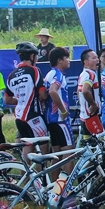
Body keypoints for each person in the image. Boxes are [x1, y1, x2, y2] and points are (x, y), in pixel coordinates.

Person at [5, 42, 49, 158]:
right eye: (36, 55)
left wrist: (21, 100)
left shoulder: (11, 75)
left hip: (19, 117)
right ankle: (42, 171)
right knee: (42, 148)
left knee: (27, 146)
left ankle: (26, 170)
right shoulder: (34, 70)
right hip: (34, 115)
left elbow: (7, 100)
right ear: (31, 56)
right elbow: (43, 95)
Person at [44, 47, 73, 175]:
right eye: (67, 57)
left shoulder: (49, 74)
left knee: (57, 154)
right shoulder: (58, 74)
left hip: (50, 119)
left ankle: (54, 186)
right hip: (60, 119)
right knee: (69, 152)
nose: (69, 60)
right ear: (59, 60)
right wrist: (63, 110)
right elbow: (52, 91)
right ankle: (66, 185)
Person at [77, 49, 101, 138]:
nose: (97, 60)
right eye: (94, 58)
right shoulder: (91, 74)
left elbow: (78, 91)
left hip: (84, 116)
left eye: (97, 57)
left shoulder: (82, 74)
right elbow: (85, 90)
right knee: (100, 143)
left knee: (88, 144)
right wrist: (93, 105)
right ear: (86, 62)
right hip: (92, 117)